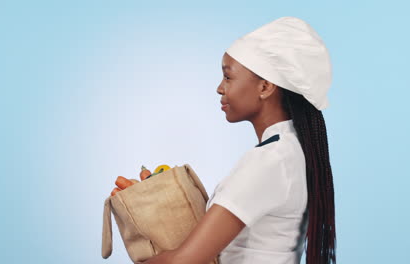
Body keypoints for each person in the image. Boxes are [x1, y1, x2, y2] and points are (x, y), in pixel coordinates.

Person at [138, 16, 336, 264]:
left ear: (265, 87)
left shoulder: (269, 161)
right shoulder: (291, 150)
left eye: (228, 77)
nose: (220, 88)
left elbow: (183, 262)